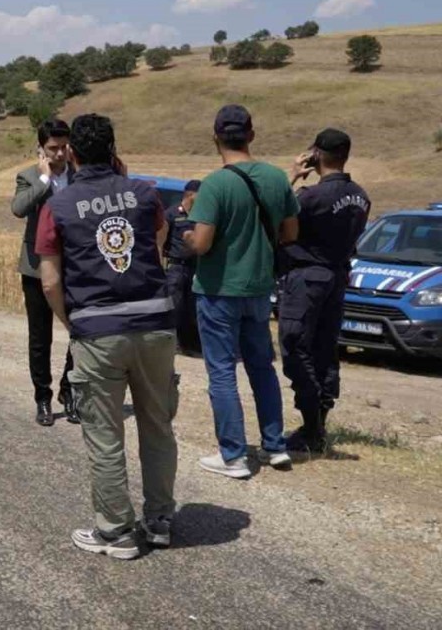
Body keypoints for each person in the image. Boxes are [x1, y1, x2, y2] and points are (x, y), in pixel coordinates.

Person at [37, 114, 178, 560]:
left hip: (98, 329)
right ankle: (158, 521)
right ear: (115, 148)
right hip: (155, 325)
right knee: (157, 425)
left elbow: (49, 281)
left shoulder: (57, 206)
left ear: (72, 153)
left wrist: (71, 322)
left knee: (105, 433)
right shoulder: (144, 194)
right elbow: (157, 243)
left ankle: (116, 532)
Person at [183, 105, 299, 478]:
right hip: (258, 289)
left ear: (215, 137)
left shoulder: (215, 184)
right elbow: (291, 234)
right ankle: (275, 445)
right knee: (262, 367)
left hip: (219, 289)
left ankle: (232, 455)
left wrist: (186, 235)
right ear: (251, 134)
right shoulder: (276, 177)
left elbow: (201, 244)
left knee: (221, 372)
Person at [278, 129, 370, 453]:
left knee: (293, 343)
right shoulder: (361, 196)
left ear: (316, 153)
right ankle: (319, 419)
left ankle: (312, 426)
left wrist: (292, 177)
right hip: (337, 277)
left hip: (307, 277)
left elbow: (278, 220)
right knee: (325, 349)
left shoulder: (311, 197)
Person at [12, 119, 77, 426]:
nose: (60, 153)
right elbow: (18, 208)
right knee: (41, 338)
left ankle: (69, 391)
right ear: (41, 148)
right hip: (37, 268)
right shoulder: (29, 176)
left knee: (80, 331)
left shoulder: (80, 177)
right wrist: (43, 179)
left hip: (73, 266)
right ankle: (43, 398)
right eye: (53, 148)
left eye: (65, 147)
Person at [163, 180, 202, 356]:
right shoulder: (171, 214)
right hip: (176, 267)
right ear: (190, 194)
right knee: (174, 306)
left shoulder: (201, 215)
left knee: (192, 308)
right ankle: (173, 343)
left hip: (195, 268)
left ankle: (191, 345)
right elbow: (161, 240)